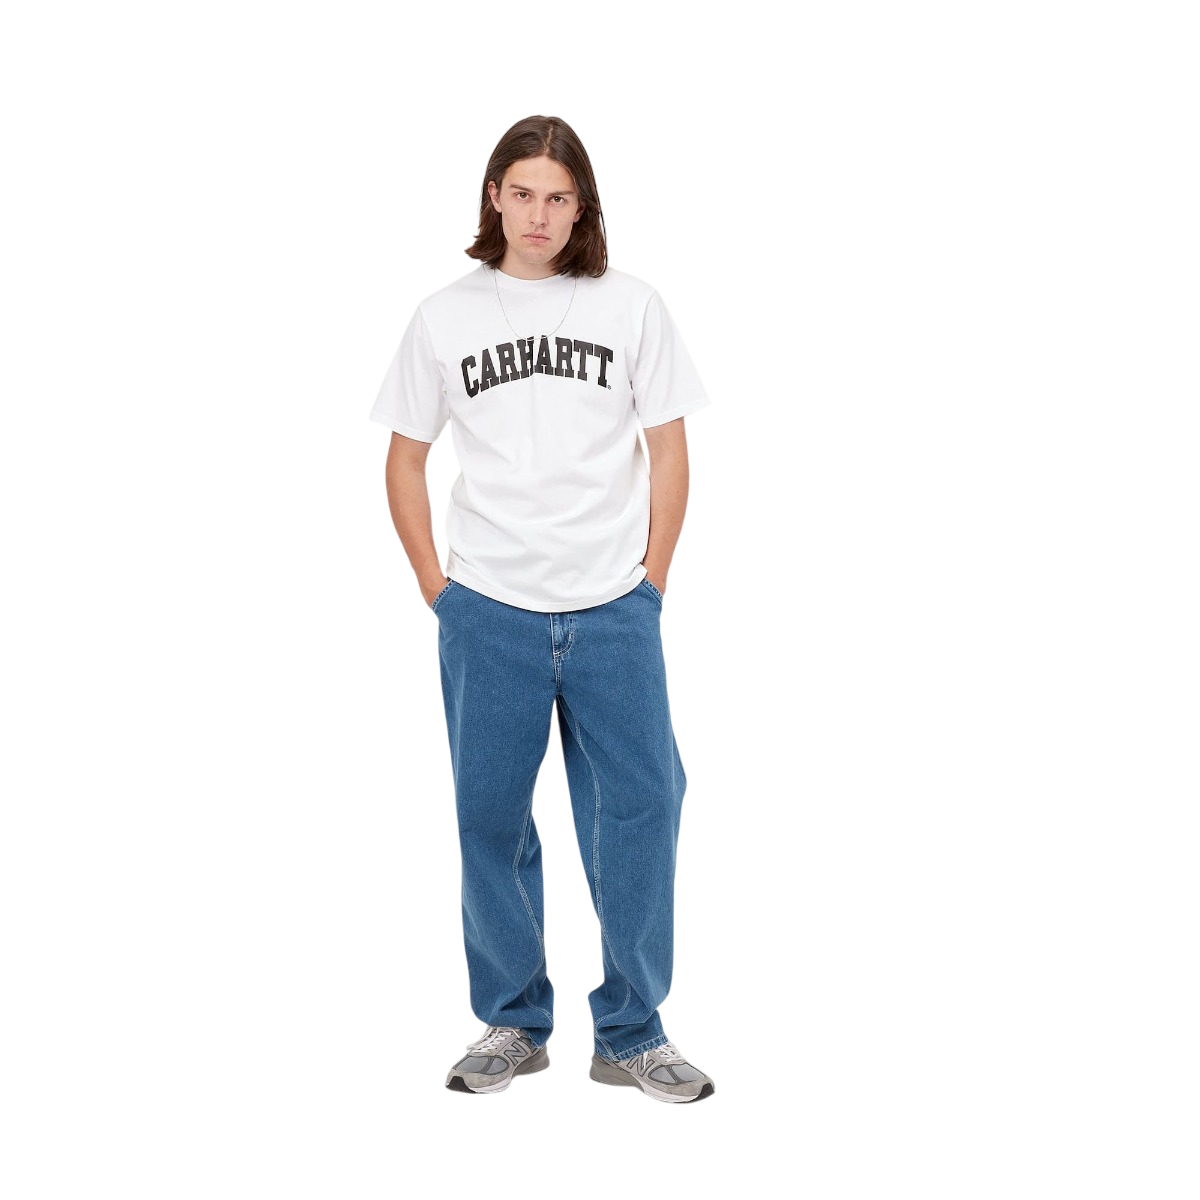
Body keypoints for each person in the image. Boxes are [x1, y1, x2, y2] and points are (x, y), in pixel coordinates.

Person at [368, 115, 715, 1104]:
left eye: (558, 197)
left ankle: (634, 1032)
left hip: (612, 608)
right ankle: (513, 1022)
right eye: (522, 193)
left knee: (645, 806)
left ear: (581, 206)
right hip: (488, 609)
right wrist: (437, 588)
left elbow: (669, 449)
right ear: (494, 196)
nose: (538, 215)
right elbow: (404, 457)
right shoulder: (444, 316)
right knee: (489, 818)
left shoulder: (632, 305)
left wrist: (652, 582)